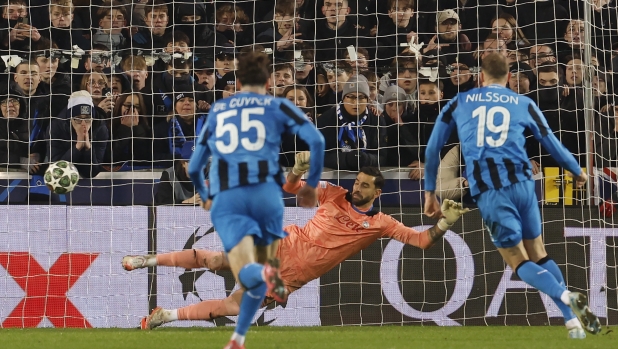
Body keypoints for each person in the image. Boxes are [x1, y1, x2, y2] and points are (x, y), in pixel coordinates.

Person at [122, 164, 469, 329]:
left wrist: (445, 223)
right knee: (215, 260)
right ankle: (146, 260)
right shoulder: (333, 192)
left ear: (377, 193)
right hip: (282, 243)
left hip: (295, 273)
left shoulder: (382, 223)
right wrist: (298, 170)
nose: (357, 188)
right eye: (357, 182)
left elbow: (422, 240)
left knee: (233, 306)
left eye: (364, 186)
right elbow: (292, 187)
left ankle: (167, 316)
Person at [423, 53, 601, 339]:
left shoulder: (459, 102)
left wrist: (430, 192)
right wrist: (576, 171)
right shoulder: (523, 102)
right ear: (508, 78)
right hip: (524, 186)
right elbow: (552, 142)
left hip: (492, 191)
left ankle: (567, 296)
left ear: (480, 76)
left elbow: (432, 149)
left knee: (518, 262)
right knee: (540, 255)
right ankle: (572, 321)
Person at [185, 51, 325, 349]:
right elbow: (317, 140)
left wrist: (206, 193)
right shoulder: (279, 105)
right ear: (270, 81)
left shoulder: (220, 109)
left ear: (236, 81)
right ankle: (238, 338)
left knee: (246, 272)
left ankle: (264, 274)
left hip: (230, 196)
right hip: (267, 196)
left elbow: (195, 165)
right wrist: (311, 185)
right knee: (263, 273)